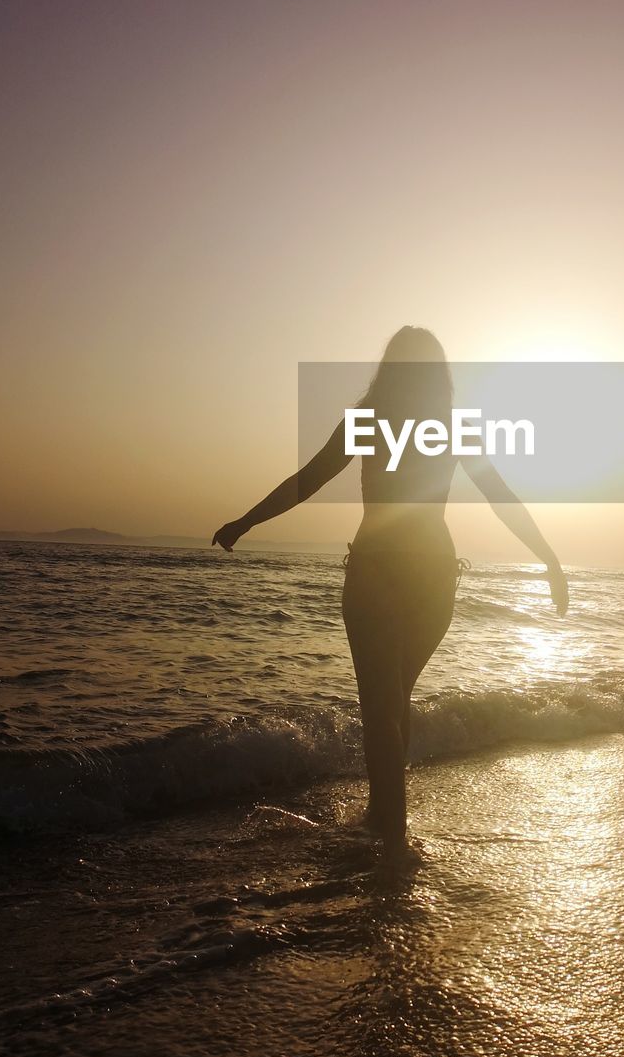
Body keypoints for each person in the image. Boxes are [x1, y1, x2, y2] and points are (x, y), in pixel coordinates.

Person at [212, 327, 568, 859]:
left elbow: (308, 479)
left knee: (381, 709)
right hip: (435, 576)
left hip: (378, 571)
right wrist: (549, 558)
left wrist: (246, 521)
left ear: (390, 369)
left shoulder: (370, 422)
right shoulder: (453, 428)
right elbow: (501, 497)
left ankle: (392, 845)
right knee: (394, 702)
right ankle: (385, 819)